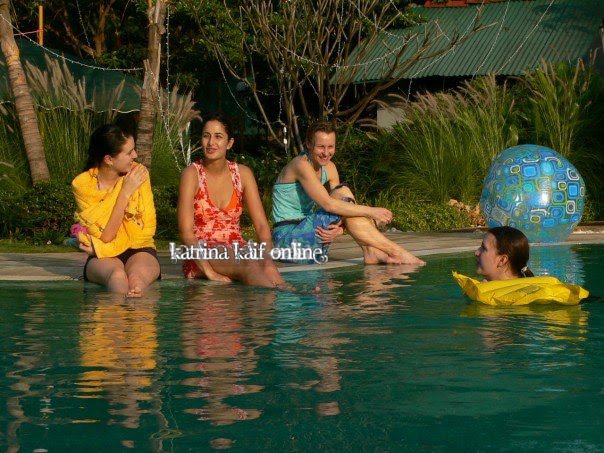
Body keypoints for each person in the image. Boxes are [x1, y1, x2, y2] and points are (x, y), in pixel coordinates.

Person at [271, 120, 424, 265]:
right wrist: (371, 211)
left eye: (330, 146)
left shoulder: (329, 168)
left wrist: (340, 229)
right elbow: (329, 204)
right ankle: (394, 251)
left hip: (316, 238)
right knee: (342, 192)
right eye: (320, 147)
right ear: (309, 144)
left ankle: (370, 250)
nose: (326, 153)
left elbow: (342, 209)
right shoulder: (300, 165)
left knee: (344, 195)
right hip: (288, 243)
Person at [177, 114, 284, 287]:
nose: (211, 143)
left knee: (260, 264)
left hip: (236, 250)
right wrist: (209, 272)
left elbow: (262, 226)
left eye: (218, 136)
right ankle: (286, 297)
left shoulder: (242, 174)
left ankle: (290, 299)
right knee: (249, 264)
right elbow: (186, 233)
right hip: (203, 255)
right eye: (206, 136)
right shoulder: (192, 174)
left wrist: (269, 264)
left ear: (230, 143)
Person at [72, 124, 160, 297]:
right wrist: (125, 193)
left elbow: (144, 232)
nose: (135, 156)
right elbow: (106, 235)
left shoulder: (139, 174)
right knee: (117, 276)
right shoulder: (83, 186)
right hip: (103, 257)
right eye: (129, 152)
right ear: (109, 159)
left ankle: (137, 318)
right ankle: (114, 321)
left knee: (137, 280)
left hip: (139, 248)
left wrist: (100, 248)